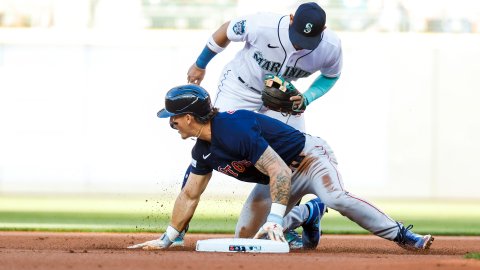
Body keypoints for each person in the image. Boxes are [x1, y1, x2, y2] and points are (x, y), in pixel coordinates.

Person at [128, 85, 434, 251]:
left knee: (335, 198)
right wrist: (167, 238)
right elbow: (190, 194)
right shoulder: (203, 150)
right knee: (249, 245)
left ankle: (403, 236)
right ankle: (308, 216)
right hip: (276, 175)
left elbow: (281, 172)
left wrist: (275, 218)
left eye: (174, 117)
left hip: (308, 158)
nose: (170, 122)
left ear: (190, 117)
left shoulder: (234, 129)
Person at [177, 1, 343, 248]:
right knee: (209, 140)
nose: (300, 44)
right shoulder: (262, 24)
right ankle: (179, 228)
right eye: (297, 36)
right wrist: (201, 63)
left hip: (283, 100)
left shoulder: (330, 46)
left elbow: (331, 75)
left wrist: (307, 97)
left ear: (323, 30)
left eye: (307, 40)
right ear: (289, 19)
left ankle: (294, 221)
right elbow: (225, 30)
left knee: (292, 157)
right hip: (241, 88)